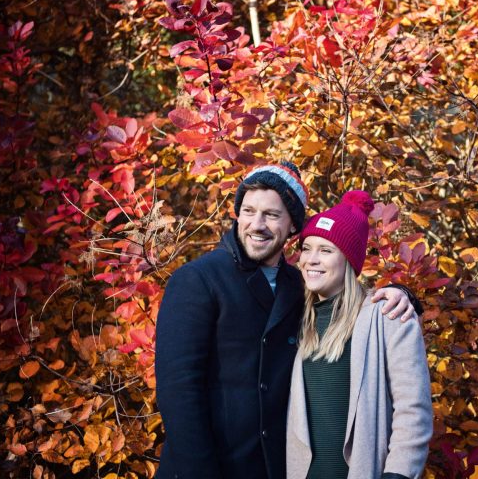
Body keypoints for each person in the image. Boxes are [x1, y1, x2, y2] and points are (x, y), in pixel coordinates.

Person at [155, 163, 418, 479]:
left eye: (272, 215)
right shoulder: (198, 280)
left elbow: (345, 292)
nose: (257, 224)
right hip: (208, 468)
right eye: (249, 211)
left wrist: (400, 294)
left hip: (276, 469)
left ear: (293, 226)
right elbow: (178, 391)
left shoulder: (299, 287)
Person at [286, 190, 432, 479]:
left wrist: (398, 475)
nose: (311, 260)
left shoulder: (387, 315)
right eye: (307, 248)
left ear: (348, 261)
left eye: (326, 251)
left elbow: (413, 410)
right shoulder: (294, 319)